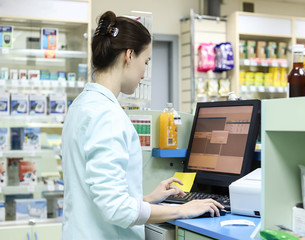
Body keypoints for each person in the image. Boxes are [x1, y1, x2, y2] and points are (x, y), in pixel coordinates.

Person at [61, 11, 224, 240]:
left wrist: (146, 199)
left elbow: (96, 196)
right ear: (129, 55)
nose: (144, 72)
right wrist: (181, 209)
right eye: (145, 61)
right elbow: (115, 208)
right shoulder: (107, 115)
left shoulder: (81, 105)